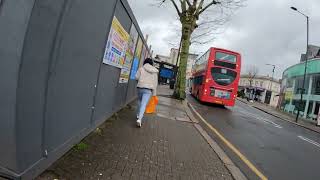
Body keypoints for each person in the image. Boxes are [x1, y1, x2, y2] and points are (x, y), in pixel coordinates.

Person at [135, 58, 158, 127]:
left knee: (139, 101)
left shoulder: (141, 68)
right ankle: (139, 119)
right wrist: (154, 93)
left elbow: (136, 77)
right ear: (151, 64)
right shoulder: (154, 71)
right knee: (144, 104)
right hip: (148, 90)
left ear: (145, 62)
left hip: (140, 87)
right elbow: (155, 83)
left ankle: (138, 114)